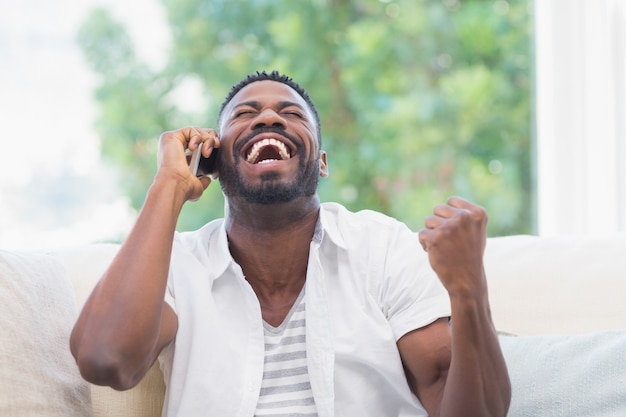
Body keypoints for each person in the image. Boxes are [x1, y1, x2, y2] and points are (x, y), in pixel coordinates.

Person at [70, 70, 511, 417]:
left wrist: (469, 291)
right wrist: (168, 185)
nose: (269, 118)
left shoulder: (381, 246)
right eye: (245, 114)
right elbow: (106, 360)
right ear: (215, 160)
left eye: (293, 114)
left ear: (319, 163)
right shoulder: (178, 264)